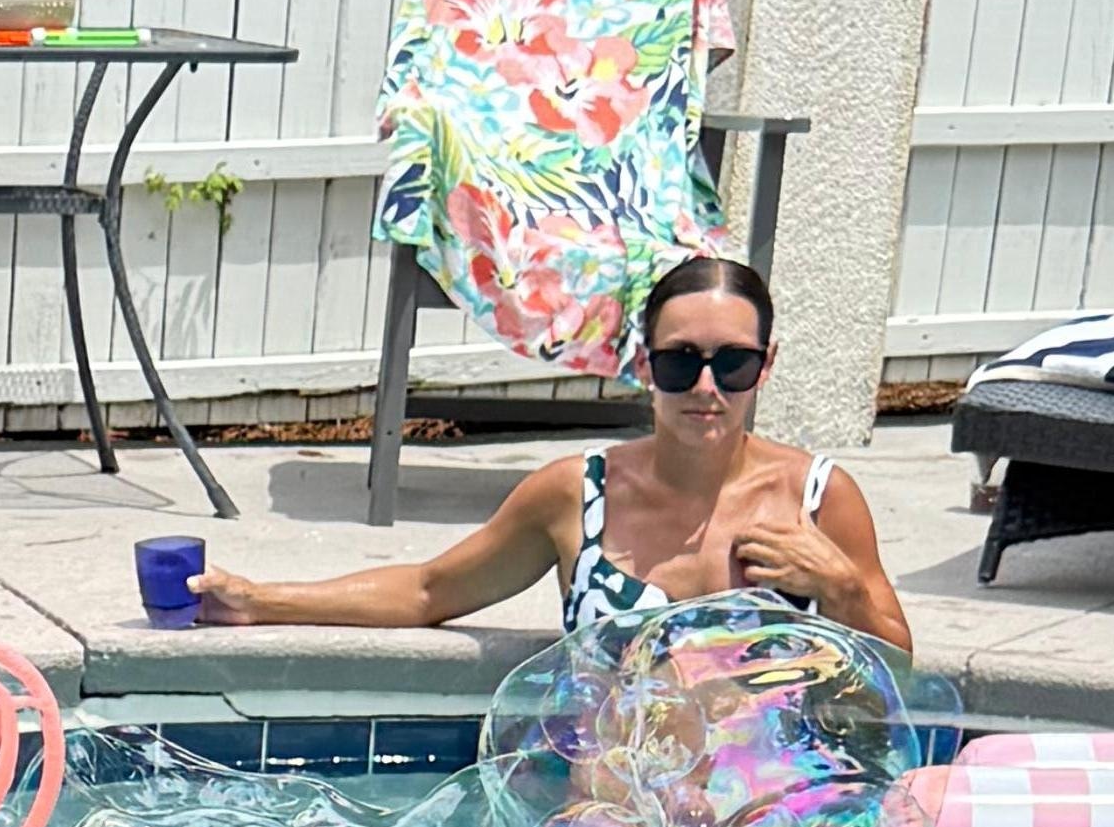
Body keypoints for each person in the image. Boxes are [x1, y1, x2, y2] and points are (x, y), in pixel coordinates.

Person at [190, 246, 914, 664]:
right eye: (679, 362)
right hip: (613, 817)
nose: (705, 388)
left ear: (766, 365)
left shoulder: (817, 499)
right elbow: (430, 590)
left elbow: (902, 674)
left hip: (766, 814)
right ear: (643, 363)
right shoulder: (578, 495)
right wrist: (261, 599)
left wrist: (842, 590)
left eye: (732, 364)